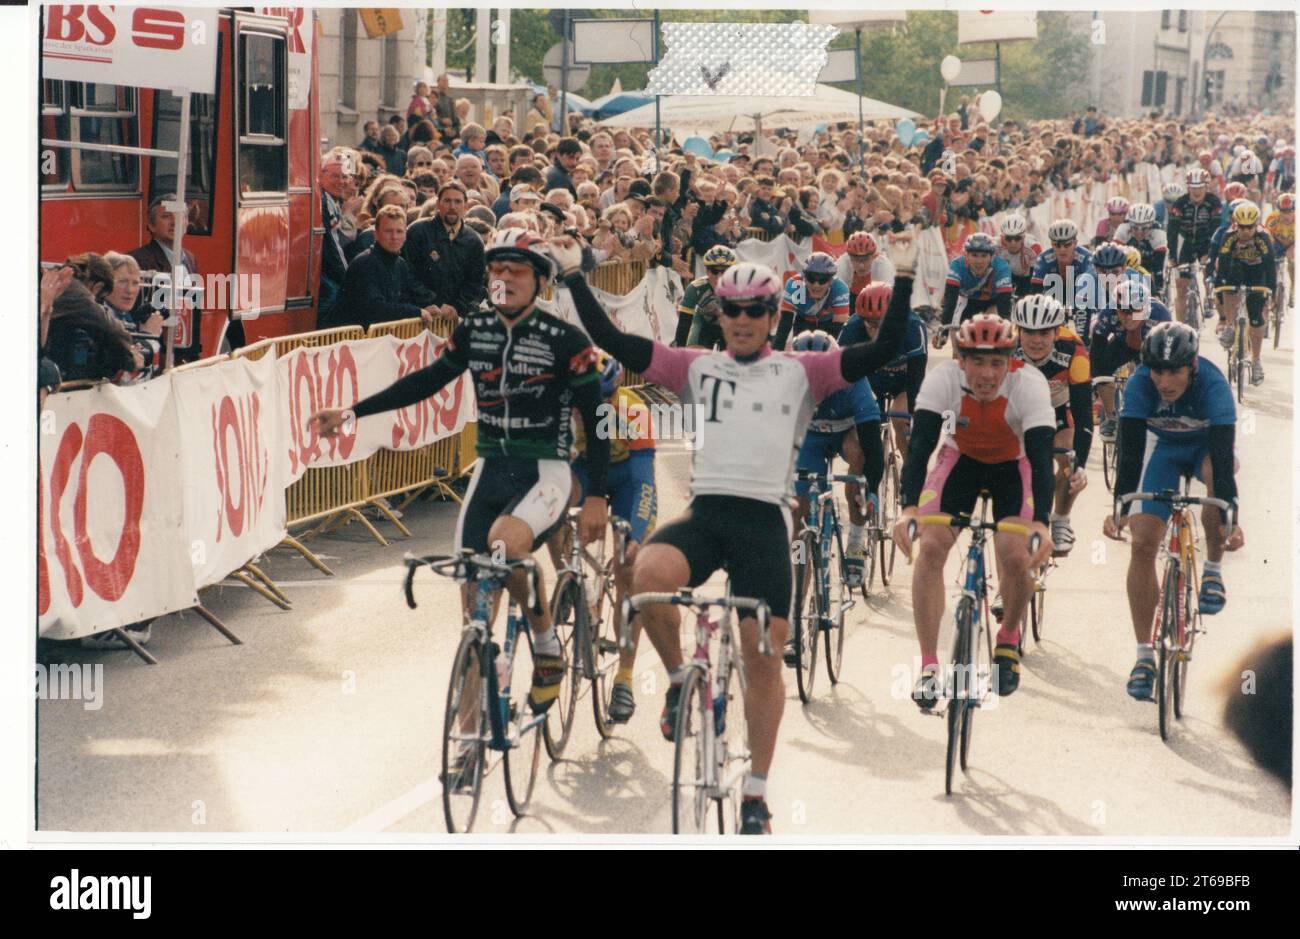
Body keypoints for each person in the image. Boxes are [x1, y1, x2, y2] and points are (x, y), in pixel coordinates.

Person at [557, 236, 916, 835]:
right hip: (707, 514)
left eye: (756, 311)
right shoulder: (694, 364)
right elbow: (615, 341)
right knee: (645, 576)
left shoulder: (806, 370)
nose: (744, 320)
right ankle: (678, 680)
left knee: (764, 657)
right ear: (718, 315)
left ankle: (755, 790)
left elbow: (880, 350)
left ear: (774, 317)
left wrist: (902, 275)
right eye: (733, 310)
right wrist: (572, 276)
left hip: (763, 522)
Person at [310, 230, 610, 758]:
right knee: (474, 607)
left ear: (541, 280)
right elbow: (425, 382)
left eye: (518, 269)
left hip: (546, 471)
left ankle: (545, 646)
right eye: (497, 269)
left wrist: (599, 496)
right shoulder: (474, 330)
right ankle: (470, 735)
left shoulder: (568, 342)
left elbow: (597, 420)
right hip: (491, 470)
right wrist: (353, 412)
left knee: (506, 543)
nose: (505, 278)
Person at [893, 314, 1056, 710]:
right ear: (960, 360)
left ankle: (1008, 636)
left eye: (997, 363)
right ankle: (930, 666)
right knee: (930, 549)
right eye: (977, 362)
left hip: (1012, 466)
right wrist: (908, 508)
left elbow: (1039, 457)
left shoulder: (1029, 385)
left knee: (1016, 555)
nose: (987, 373)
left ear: (1010, 361)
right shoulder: (943, 380)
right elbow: (921, 448)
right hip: (960, 460)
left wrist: (1043, 524)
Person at [1103, 322, 1244, 701]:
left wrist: (1231, 515)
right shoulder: (1139, 386)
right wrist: (1121, 506)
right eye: (1157, 371)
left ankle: (1212, 571)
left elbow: (1221, 457)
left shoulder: (1213, 386)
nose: (1164, 381)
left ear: (1192, 365)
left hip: (1204, 450)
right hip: (1161, 450)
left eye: (1174, 371)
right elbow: (1130, 456)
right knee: (1142, 543)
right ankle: (1144, 657)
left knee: (1218, 481)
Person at [564, 350, 658, 723]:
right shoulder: (563, 409)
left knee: (627, 567)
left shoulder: (632, 411)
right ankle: (571, 580)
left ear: (615, 392)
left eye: (603, 399)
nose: (592, 406)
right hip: (584, 471)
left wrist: (633, 536)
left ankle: (624, 678)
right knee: (554, 514)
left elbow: (643, 482)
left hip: (627, 481)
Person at [785, 330, 882, 599]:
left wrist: (869, 492)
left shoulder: (853, 381)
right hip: (809, 436)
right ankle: (797, 598)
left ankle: (855, 544)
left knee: (859, 457)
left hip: (845, 432)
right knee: (797, 520)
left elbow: (874, 448)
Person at [1007, 294, 1092, 554]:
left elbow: (1083, 414)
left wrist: (1080, 466)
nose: (1036, 340)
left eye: (1044, 333)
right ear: (1018, 331)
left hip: (1057, 406)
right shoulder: (1005, 346)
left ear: (1056, 332)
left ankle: (1061, 520)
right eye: (1029, 332)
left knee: (1069, 458)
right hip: (1018, 408)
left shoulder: (1074, 350)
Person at [841, 282, 927, 456]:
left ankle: (908, 470)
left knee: (901, 418)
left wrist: (913, 417)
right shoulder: (852, 330)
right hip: (871, 381)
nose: (878, 331)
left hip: (903, 381)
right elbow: (842, 374)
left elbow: (916, 377)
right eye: (871, 324)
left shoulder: (913, 327)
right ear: (862, 320)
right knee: (866, 432)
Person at [325, 205, 439, 330]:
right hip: (348, 341)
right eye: (388, 231)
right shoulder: (365, 263)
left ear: (405, 235)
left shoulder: (400, 264)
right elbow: (375, 308)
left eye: (399, 231)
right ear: (376, 234)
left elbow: (404, 301)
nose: (394, 237)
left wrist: (423, 309)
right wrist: (416, 312)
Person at [1090, 278, 1172, 439]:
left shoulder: (1161, 315)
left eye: (1135, 310)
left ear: (1145, 307)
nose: (1128, 317)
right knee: (1102, 367)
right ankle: (1111, 417)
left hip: (1150, 347)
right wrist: (1096, 381)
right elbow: (1096, 352)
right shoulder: (1107, 314)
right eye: (1123, 311)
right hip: (1122, 345)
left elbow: (1168, 357)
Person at [128, 195, 205, 362]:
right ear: (151, 225)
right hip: (157, 354)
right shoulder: (138, 260)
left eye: (180, 217)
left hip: (186, 353)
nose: (174, 222)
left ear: (186, 224)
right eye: (166, 216)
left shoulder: (190, 258)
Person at [1212, 200, 1276, 385]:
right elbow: (1222, 264)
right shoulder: (1229, 236)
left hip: (1258, 274)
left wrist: (1271, 290)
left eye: (1250, 227)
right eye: (1242, 227)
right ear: (1236, 224)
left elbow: (1270, 266)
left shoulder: (1263, 238)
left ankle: (1256, 361)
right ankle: (1230, 325)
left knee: (1256, 318)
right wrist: (1219, 288)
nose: (1246, 232)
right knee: (1229, 283)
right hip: (1236, 270)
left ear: (1256, 224)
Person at [403, 181, 486, 320]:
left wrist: (456, 307)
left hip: (456, 319)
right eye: (447, 201)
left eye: (458, 202)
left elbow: (475, 283)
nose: (452, 207)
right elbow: (408, 275)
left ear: (466, 206)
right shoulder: (418, 232)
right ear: (438, 204)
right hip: (422, 318)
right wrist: (436, 303)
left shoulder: (474, 241)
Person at [934, 232, 1014, 348]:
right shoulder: (957, 266)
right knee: (958, 344)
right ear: (966, 255)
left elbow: (1004, 305)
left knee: (994, 336)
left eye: (983, 256)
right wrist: (943, 331)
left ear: (991, 257)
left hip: (993, 302)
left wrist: (1007, 330)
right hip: (967, 300)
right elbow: (950, 302)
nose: (979, 261)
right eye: (974, 255)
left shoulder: (1001, 267)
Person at [1166, 168, 1223, 324]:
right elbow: (1172, 230)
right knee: (1181, 287)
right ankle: (1180, 325)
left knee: (1208, 269)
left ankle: (1209, 297)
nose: (1196, 191)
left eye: (1200, 187)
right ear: (1188, 187)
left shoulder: (1214, 202)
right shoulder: (1180, 203)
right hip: (1185, 243)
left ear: (1206, 187)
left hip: (1206, 241)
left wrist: (1210, 253)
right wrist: (1172, 255)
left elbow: (1216, 229)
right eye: (1193, 188)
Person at [772, 251, 852, 349]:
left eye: (822, 280)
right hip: (803, 321)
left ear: (831, 281)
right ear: (804, 278)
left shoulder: (839, 288)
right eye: (811, 278)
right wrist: (776, 352)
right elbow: (784, 324)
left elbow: (839, 328)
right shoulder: (795, 285)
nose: (816, 285)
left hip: (829, 324)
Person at [315, 150, 353, 324]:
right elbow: (333, 247)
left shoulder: (332, 200)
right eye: (335, 176)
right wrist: (349, 279)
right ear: (321, 176)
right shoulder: (323, 201)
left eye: (345, 177)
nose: (341, 182)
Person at [675, 244, 736, 349]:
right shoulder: (695, 288)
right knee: (694, 351)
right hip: (704, 324)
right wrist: (679, 353)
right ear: (707, 272)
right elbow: (684, 325)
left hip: (731, 326)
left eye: (724, 271)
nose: (719, 277)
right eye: (714, 271)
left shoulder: (741, 290)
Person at [1111, 203, 1168, 298]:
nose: (1139, 232)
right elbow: (1113, 258)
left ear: (1151, 225)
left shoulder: (1159, 235)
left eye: (1144, 228)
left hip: (1150, 264)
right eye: (1135, 227)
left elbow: (1159, 268)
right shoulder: (1123, 230)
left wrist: (1158, 291)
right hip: (1128, 264)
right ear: (1129, 224)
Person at [836, 231, 896, 299]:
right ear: (849, 257)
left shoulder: (883, 266)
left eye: (865, 259)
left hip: (874, 296)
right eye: (856, 259)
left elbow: (887, 298)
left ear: (874, 256)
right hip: (851, 294)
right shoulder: (842, 263)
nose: (861, 265)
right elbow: (836, 296)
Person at [997, 214, 1042, 298]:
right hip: (1005, 275)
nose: (1013, 243)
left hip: (1026, 277)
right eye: (1008, 238)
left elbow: (1035, 277)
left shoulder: (1033, 247)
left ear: (1023, 237)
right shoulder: (995, 246)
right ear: (1002, 238)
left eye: (1017, 238)